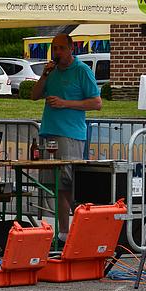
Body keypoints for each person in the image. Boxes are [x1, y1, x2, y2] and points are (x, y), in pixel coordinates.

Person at [30, 33, 101, 245]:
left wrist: (65, 103)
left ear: (72, 48)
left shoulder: (82, 71)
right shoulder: (51, 71)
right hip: (49, 132)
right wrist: (43, 76)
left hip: (70, 134)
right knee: (57, 186)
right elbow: (34, 96)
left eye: (61, 48)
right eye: (54, 48)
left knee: (70, 185)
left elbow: (96, 103)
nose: (57, 52)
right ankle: (63, 233)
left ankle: (84, 228)